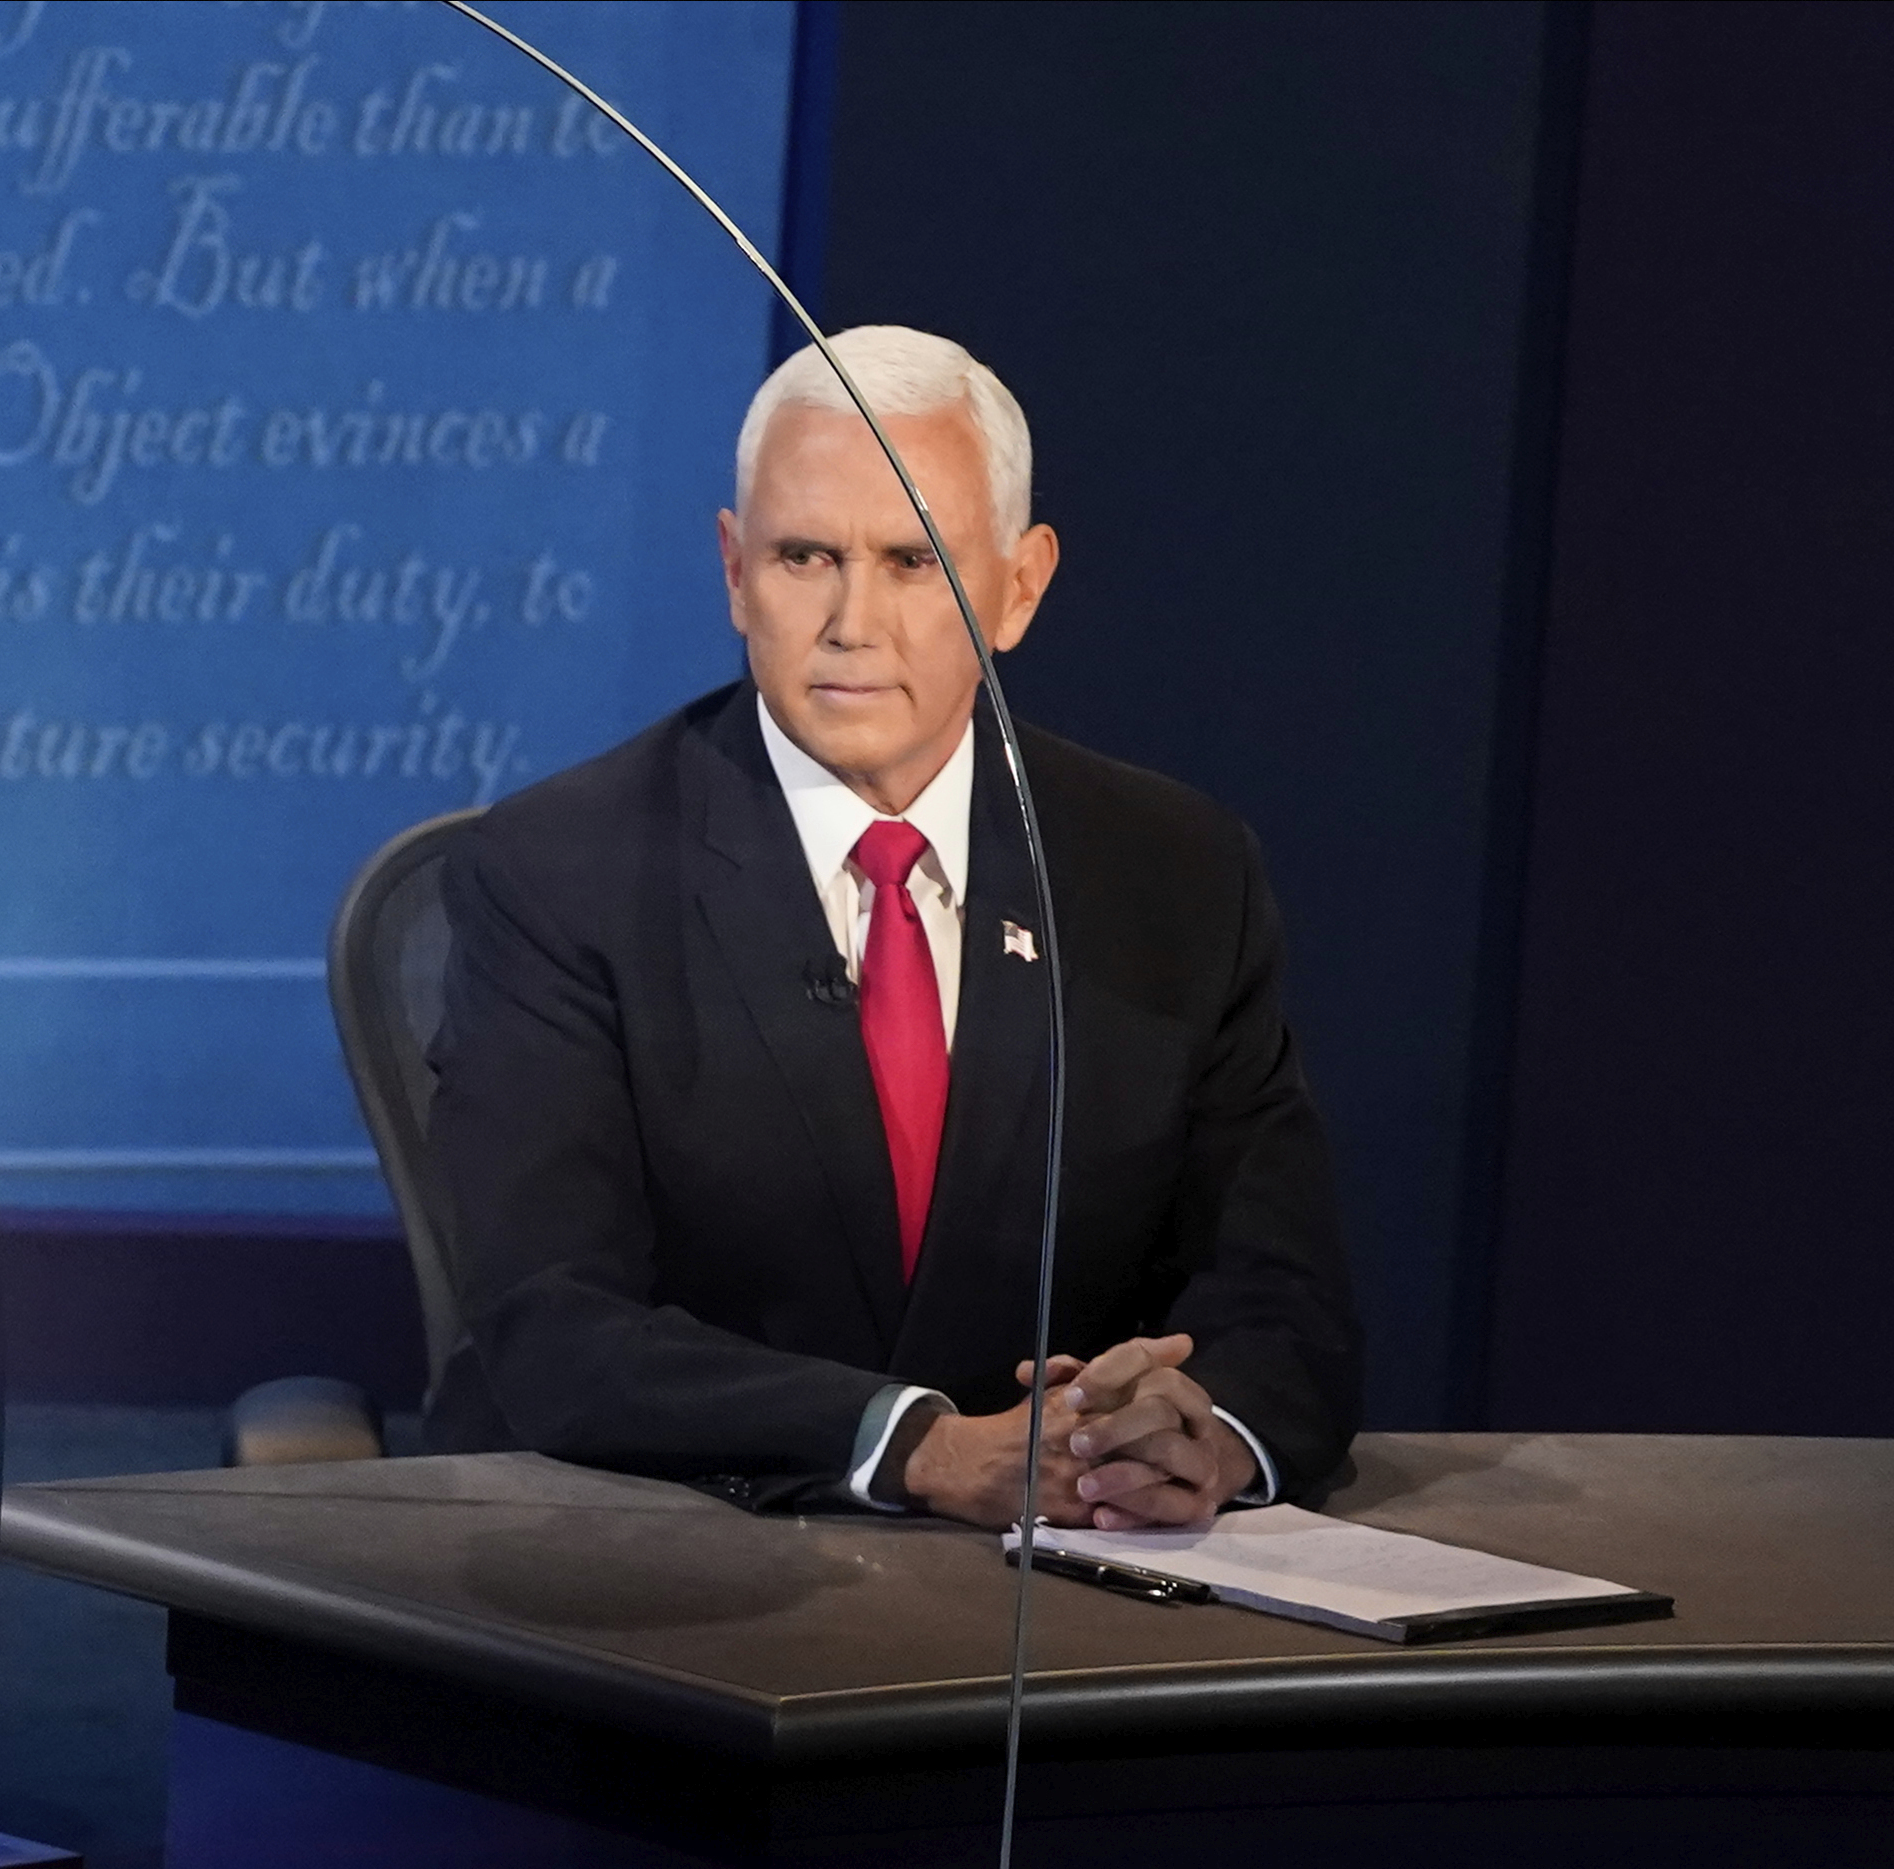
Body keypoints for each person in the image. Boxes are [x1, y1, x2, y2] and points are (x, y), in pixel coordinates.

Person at [419, 326, 1364, 1526]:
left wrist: (1202, 1435)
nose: (850, 621)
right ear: (732, 571)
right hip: (652, 1556)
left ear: (1018, 586)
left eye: (914, 562)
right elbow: (552, 1325)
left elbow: (1282, 1299)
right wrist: (914, 1446)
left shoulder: (1174, 873)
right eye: (804, 556)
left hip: (1051, 1596)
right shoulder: (559, 870)